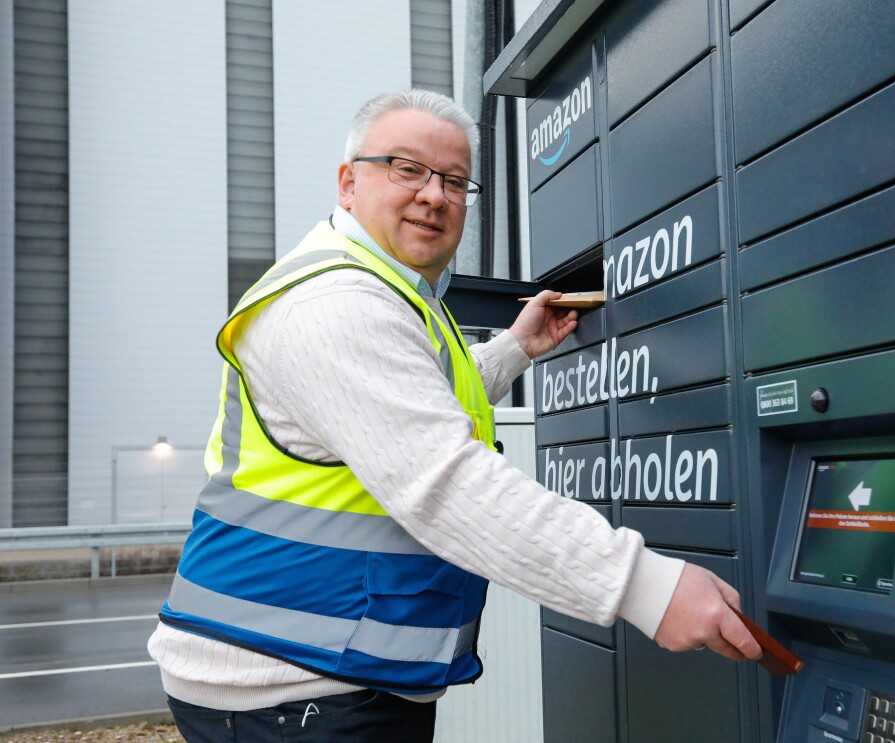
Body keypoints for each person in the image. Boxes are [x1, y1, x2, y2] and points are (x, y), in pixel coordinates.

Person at [148, 89, 761, 742]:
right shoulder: (334, 303)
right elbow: (445, 481)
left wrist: (514, 349)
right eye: (406, 168)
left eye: (454, 180)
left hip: (319, 667)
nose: (434, 195)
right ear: (348, 182)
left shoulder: (395, 292)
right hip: (291, 688)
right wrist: (644, 585)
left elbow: (414, 410)